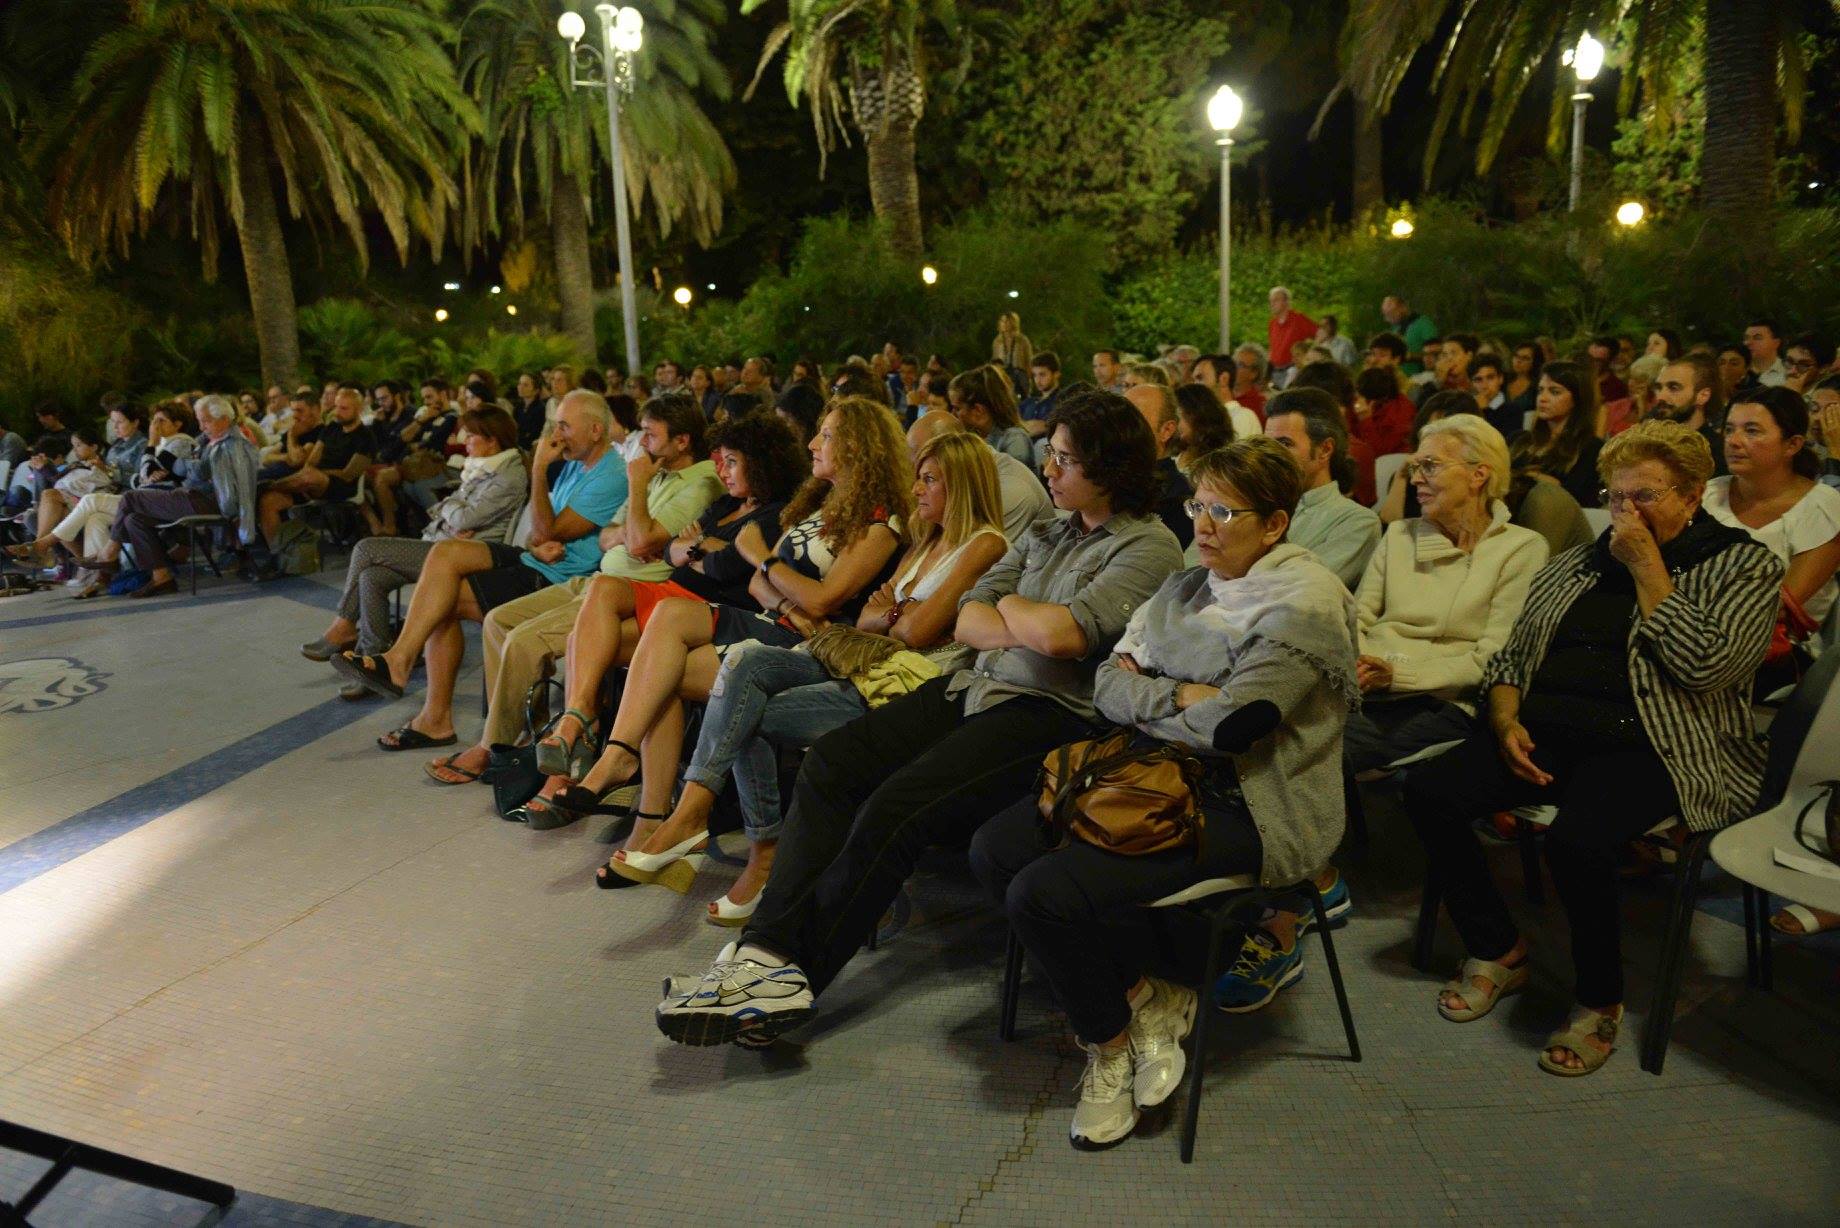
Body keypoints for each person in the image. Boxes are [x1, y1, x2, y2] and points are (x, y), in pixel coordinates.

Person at [654, 389, 1183, 1049]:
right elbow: (969, 618)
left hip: (1052, 715)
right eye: (1050, 455)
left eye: (1065, 460)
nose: (1048, 470)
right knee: (836, 762)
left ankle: (795, 977)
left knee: (898, 806)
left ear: (1110, 467)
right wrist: (1023, 620)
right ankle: (766, 951)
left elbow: (1065, 638)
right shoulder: (1051, 530)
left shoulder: (1149, 547)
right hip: (973, 685)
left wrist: (1015, 616)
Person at [969, 436, 1358, 1150]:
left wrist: (1154, 692)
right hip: (1152, 772)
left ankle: (1107, 1046)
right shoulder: (1185, 586)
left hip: (1252, 800)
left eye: (1222, 512)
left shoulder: (1306, 604)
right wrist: (1181, 694)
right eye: (1196, 506)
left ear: (1275, 524)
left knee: (1041, 893)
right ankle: (1143, 1001)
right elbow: (1105, 685)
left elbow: (1237, 727)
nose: (1201, 525)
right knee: (995, 849)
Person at [1406, 419, 1781, 1076]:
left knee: (1577, 842)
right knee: (1429, 792)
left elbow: (1706, 667)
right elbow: (1513, 655)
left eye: (1645, 497)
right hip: (1547, 733)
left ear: (1693, 496)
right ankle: (1499, 948)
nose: (1625, 514)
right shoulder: (1578, 563)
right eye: (1615, 497)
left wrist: (1647, 567)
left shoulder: (1744, 565)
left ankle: (1599, 998)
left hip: (1659, 745)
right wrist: (1505, 717)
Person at [612, 431, 1009, 922]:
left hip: (909, 689)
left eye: (929, 480)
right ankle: (699, 815)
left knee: (743, 709)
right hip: (864, 660)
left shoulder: (984, 543)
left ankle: (754, 850)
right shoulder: (925, 540)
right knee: (743, 663)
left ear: (962, 485)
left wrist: (894, 613)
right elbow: (871, 617)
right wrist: (896, 614)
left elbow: (917, 630)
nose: (916, 489)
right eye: (918, 478)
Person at [522, 397, 911, 829]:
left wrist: (760, 557)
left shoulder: (881, 522)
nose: (813, 443)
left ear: (858, 446)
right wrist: (777, 587)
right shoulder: (818, 504)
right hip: (775, 617)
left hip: (809, 646)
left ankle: (620, 768)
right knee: (648, 650)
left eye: (827, 435)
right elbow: (757, 582)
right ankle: (641, 804)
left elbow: (817, 597)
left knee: (657, 645)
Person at [426, 412, 808, 789]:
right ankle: (574, 724)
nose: (722, 470)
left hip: (694, 609)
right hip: (645, 589)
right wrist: (696, 546)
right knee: (595, 599)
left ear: (761, 464)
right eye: (721, 460)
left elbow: (716, 564)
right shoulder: (726, 505)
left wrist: (687, 540)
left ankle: (564, 756)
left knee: (579, 639)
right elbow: (657, 548)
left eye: (732, 461)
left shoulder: (759, 509)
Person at [332, 391, 629, 748]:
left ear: (595, 430)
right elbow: (538, 532)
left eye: (564, 425)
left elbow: (546, 530)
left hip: (559, 577)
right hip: (535, 557)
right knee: (445, 555)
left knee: (440, 601)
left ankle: (431, 714)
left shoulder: (611, 474)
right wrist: (537, 540)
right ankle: (401, 663)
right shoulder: (576, 464)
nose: (556, 434)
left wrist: (538, 469)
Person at [1346, 415, 1548, 773]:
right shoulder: (1398, 536)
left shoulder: (1521, 549)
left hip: (1444, 701)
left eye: (1430, 466)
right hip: (1368, 688)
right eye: (1415, 467)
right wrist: (1363, 665)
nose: (1415, 478)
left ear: (1478, 475)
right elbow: (1355, 620)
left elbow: (1493, 659)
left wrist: (1397, 675)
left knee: (1325, 752)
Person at [301, 408, 528, 698]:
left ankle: (343, 626)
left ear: (492, 439)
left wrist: (449, 510)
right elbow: (451, 507)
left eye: (471, 435)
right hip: (444, 544)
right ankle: (372, 662)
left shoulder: (508, 476)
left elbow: (462, 518)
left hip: (466, 556)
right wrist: (450, 510)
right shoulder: (483, 467)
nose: (464, 440)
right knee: (372, 576)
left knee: (366, 548)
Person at [1705, 385, 1840, 663]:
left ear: (1793, 445)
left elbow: (1778, 606)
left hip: (1778, 652)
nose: (1733, 441)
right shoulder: (1709, 494)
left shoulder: (1822, 507)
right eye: (1729, 429)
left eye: (1751, 431)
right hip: (1698, 636)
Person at [102, 394, 258, 598]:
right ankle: (161, 577)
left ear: (224, 419)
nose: (201, 427)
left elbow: (236, 486)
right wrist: (186, 467)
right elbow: (174, 470)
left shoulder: (233, 444)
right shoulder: (207, 441)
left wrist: (240, 521)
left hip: (208, 501)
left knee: (131, 498)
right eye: (199, 421)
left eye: (206, 421)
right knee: (134, 519)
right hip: (191, 496)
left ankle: (109, 554)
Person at [1261, 388, 1380, 588]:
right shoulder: (1253, 503)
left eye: (1285, 444)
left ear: (1325, 449)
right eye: (1267, 444)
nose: (1270, 456)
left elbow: (1299, 590)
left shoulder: (1357, 522)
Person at [256, 382, 377, 546]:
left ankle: (267, 486)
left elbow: (348, 475)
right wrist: (310, 474)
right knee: (268, 501)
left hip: (340, 486)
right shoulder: (332, 428)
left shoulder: (366, 437)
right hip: (308, 483)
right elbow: (311, 461)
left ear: (359, 409)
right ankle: (278, 551)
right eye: (337, 407)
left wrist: (318, 474)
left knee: (310, 475)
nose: (337, 412)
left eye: (344, 408)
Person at [909, 410, 1052, 543]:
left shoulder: (1009, 489)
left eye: (917, 453)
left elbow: (971, 554)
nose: (912, 461)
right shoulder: (961, 480)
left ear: (953, 448)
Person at [1512, 360, 1603, 509]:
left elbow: (1574, 497)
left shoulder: (1591, 448)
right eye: (1540, 390)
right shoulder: (1519, 439)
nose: (1542, 398)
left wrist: (1524, 475)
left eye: (1554, 392)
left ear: (1577, 399)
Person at [1125, 383, 1195, 548]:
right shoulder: (1102, 477)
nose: (1118, 427)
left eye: (1133, 418)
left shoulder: (1177, 497)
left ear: (1166, 430)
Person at [950, 364, 1034, 467]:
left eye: (957, 408)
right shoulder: (972, 438)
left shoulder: (1014, 439)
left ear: (978, 410)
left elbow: (1013, 475)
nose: (953, 414)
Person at [1188, 355, 1262, 439]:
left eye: (1200, 378)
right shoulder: (1202, 419)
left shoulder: (1243, 417)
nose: (1194, 385)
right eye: (1193, 380)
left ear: (1224, 379)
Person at [1353, 365, 1416, 457]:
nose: (1358, 400)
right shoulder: (1361, 400)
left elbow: (1381, 453)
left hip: (1393, 460)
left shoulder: (1402, 412)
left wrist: (1366, 420)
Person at [1173, 383, 1233, 473]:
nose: (1173, 422)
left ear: (1197, 416)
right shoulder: (1174, 453)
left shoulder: (1217, 465)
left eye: (1178, 415)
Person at [1601, 354, 1663, 437]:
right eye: (1630, 378)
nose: (1630, 384)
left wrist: (1641, 408)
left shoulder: (1659, 410)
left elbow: (1647, 438)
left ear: (1652, 386)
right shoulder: (1616, 406)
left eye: (1638, 381)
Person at [1266, 287, 1317, 387]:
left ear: (1286, 302)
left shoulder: (1298, 319)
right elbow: (1272, 348)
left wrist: (1309, 358)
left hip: (1292, 371)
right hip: (1274, 372)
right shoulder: (1272, 323)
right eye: (1271, 301)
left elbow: (1320, 335)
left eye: (1276, 300)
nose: (1272, 304)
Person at [1381, 295, 1437, 375]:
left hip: (1420, 378)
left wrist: (1410, 356)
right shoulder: (1395, 329)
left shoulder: (1424, 324)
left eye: (1391, 313)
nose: (1388, 319)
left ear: (1403, 307)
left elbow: (1436, 354)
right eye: (1386, 315)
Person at [1019, 352, 1062, 439]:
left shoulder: (1063, 401)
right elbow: (1012, 425)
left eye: (1042, 375)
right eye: (1035, 375)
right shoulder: (1027, 403)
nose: (1037, 380)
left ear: (1056, 374)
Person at [992, 312, 1034, 383]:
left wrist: (1028, 379)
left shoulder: (1022, 340)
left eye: (1007, 321)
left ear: (1013, 323)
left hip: (1020, 377)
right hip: (1003, 378)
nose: (1004, 324)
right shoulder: (997, 341)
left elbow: (1029, 360)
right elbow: (995, 361)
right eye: (1002, 321)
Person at [1743, 318, 1787, 387]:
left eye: (1757, 338)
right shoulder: (1737, 371)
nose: (1748, 343)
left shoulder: (1789, 373)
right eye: (1746, 338)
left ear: (1776, 343)